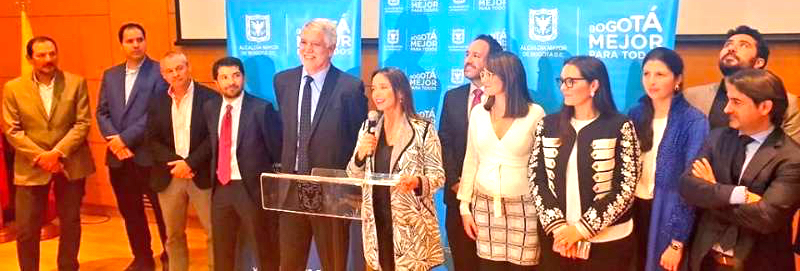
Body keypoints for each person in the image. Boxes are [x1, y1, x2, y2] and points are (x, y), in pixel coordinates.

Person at [680, 69, 800, 271]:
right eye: (728, 100)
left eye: (736, 102)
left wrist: (711, 190)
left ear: (765, 107)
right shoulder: (717, 138)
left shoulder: (792, 157)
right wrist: (739, 195)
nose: (726, 109)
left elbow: (766, 219)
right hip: (705, 258)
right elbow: (687, 186)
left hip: (758, 262)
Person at [272, 18, 368, 271]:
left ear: (332, 49)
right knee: (289, 262)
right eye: (303, 43)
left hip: (331, 191)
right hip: (291, 188)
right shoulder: (283, 81)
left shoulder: (349, 87)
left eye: (315, 44)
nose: (307, 49)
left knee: (333, 262)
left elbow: (356, 142)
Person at [529, 56, 640, 270]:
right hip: (559, 239)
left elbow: (626, 187)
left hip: (608, 243)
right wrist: (560, 229)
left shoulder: (621, 126)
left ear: (594, 85)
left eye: (571, 81)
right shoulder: (548, 125)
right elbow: (537, 179)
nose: (564, 87)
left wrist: (581, 230)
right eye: (561, 81)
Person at [2, 36, 95, 271]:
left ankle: (67, 267)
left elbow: (82, 123)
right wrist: (42, 157)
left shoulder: (76, 83)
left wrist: (57, 153)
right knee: (25, 229)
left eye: (52, 53)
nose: (48, 59)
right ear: (30, 58)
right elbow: (11, 129)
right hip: (31, 165)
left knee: (71, 223)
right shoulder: (13, 88)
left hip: (70, 162)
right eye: (41, 55)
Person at [346, 67, 445, 270]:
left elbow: (438, 176)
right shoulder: (368, 127)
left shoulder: (423, 130)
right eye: (374, 88)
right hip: (376, 221)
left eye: (383, 87)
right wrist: (359, 156)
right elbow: (353, 174)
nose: (377, 94)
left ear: (400, 93)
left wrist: (417, 182)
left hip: (410, 226)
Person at [456, 51, 545, 270]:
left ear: (509, 76)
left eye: (489, 74)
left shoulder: (535, 114)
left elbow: (543, 168)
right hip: (484, 206)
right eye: (483, 74)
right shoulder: (478, 113)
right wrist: (465, 207)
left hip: (525, 207)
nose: (483, 79)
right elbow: (471, 160)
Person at [96, 22, 169, 271]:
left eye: (140, 39)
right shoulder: (110, 75)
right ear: (122, 45)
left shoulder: (160, 71)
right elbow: (101, 113)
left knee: (162, 212)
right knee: (131, 212)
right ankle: (142, 258)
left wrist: (124, 139)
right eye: (130, 41)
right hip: (119, 158)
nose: (136, 44)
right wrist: (115, 141)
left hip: (149, 156)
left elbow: (155, 113)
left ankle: (170, 255)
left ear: (145, 41)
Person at [628, 47, 708, 271]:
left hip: (668, 210)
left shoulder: (693, 121)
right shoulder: (635, 114)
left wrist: (677, 242)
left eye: (660, 74)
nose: (651, 81)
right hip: (633, 206)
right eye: (646, 73)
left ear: (678, 79)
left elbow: (691, 183)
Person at [204, 56, 281, 271]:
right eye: (225, 77)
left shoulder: (261, 108)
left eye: (236, 75)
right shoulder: (210, 108)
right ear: (216, 83)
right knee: (223, 250)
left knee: (263, 249)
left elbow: (276, 152)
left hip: (252, 190)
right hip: (221, 188)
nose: (231, 82)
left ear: (243, 78)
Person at [145, 51, 217, 271]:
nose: (176, 74)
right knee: (173, 235)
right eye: (170, 70)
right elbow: (151, 139)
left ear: (189, 68)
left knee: (213, 232)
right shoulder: (156, 101)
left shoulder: (211, 98)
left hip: (200, 174)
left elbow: (213, 137)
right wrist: (177, 164)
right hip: (170, 176)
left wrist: (190, 164)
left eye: (180, 68)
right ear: (163, 75)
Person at [439, 34, 502, 270]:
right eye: (467, 54)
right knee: (463, 262)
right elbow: (444, 141)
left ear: (493, 62)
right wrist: (456, 182)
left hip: (494, 200)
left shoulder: (503, 99)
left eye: (476, 55)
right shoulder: (452, 97)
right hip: (458, 198)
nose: (468, 60)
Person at [683, 25, 800, 142]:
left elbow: (791, 153)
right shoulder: (692, 97)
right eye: (728, 44)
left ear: (759, 62)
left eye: (744, 45)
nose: (731, 49)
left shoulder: (787, 102)